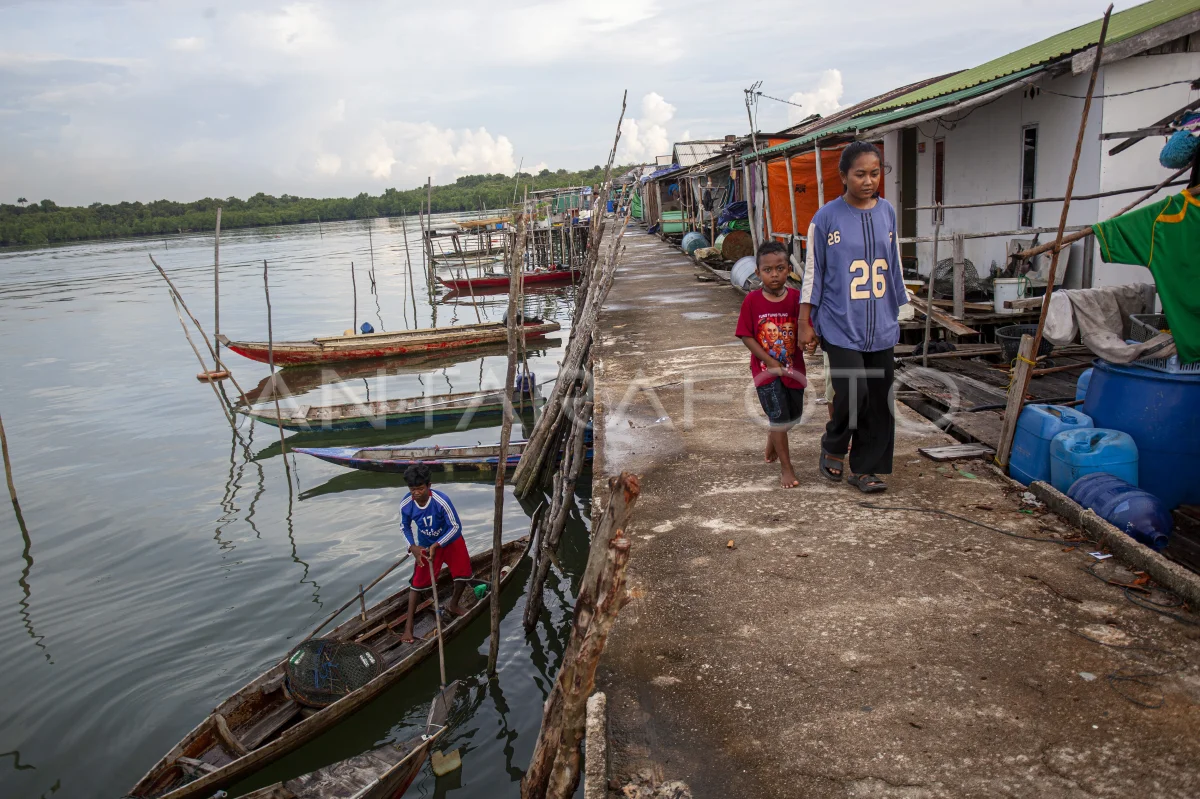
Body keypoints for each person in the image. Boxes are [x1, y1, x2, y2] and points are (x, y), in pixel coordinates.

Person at [798, 141, 907, 493]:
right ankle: (833, 443)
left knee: (878, 400)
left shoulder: (887, 212)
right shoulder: (825, 218)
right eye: (860, 174)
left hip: (880, 324)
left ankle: (865, 469)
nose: (868, 181)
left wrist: (899, 309)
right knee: (853, 392)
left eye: (875, 173)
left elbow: (894, 264)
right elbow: (813, 273)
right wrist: (805, 322)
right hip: (840, 323)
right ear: (844, 176)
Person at [735, 241, 808, 488]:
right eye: (767, 270)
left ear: (789, 270)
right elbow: (746, 335)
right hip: (765, 372)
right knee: (778, 418)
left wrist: (811, 341)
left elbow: (806, 329)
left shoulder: (797, 299)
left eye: (780, 268)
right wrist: (768, 361)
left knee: (794, 417)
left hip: (794, 370)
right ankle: (786, 468)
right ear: (758, 272)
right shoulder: (752, 301)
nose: (774, 274)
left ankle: (773, 436)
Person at [398, 464, 472, 643]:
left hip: (450, 540)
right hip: (426, 545)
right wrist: (413, 547)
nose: (416, 493)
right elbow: (404, 526)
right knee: (417, 584)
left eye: (420, 488)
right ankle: (408, 628)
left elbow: (455, 527)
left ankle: (453, 605)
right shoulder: (406, 504)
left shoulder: (441, 501)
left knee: (463, 574)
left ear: (429, 486)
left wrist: (438, 544)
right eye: (412, 489)